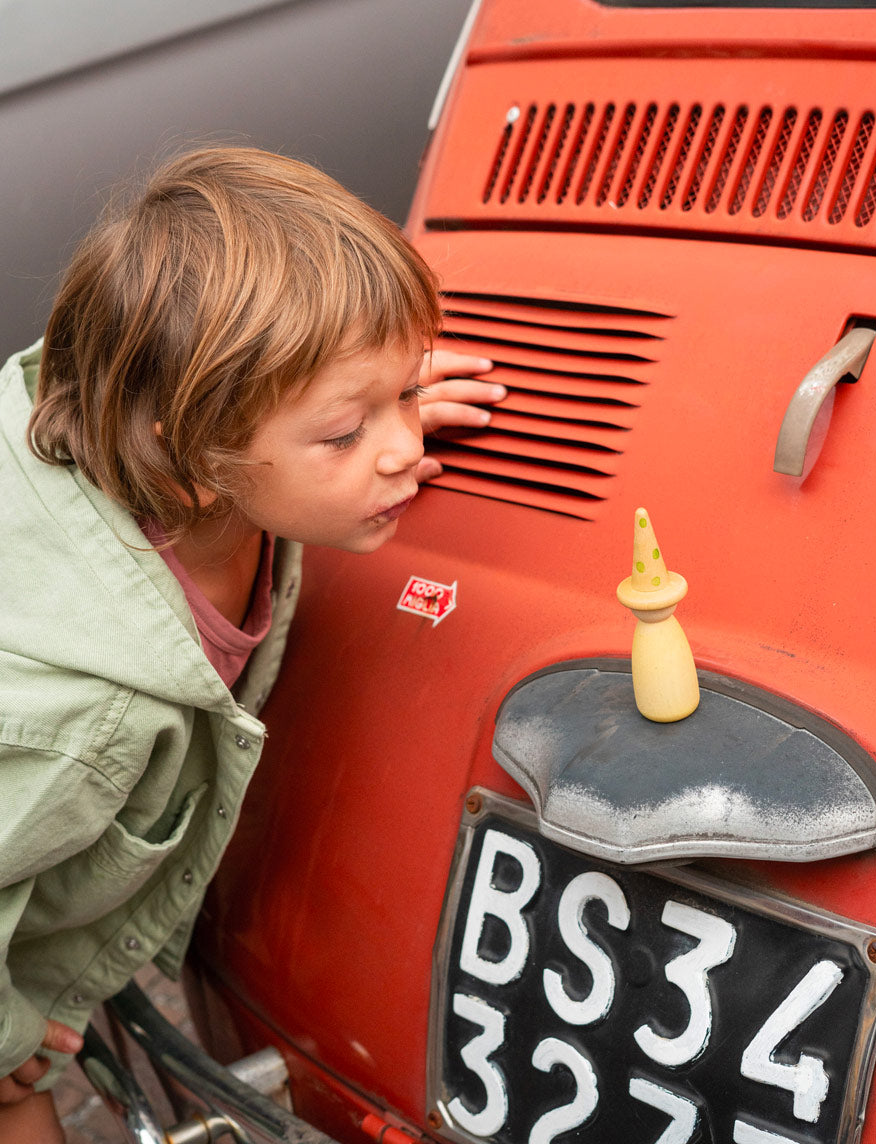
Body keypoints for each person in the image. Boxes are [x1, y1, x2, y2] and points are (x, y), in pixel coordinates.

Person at [0, 147, 504, 1142]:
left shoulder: (164, 439)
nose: (405, 447)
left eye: (407, 396)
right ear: (192, 461)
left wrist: (360, 405)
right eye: (345, 434)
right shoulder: (86, 717)